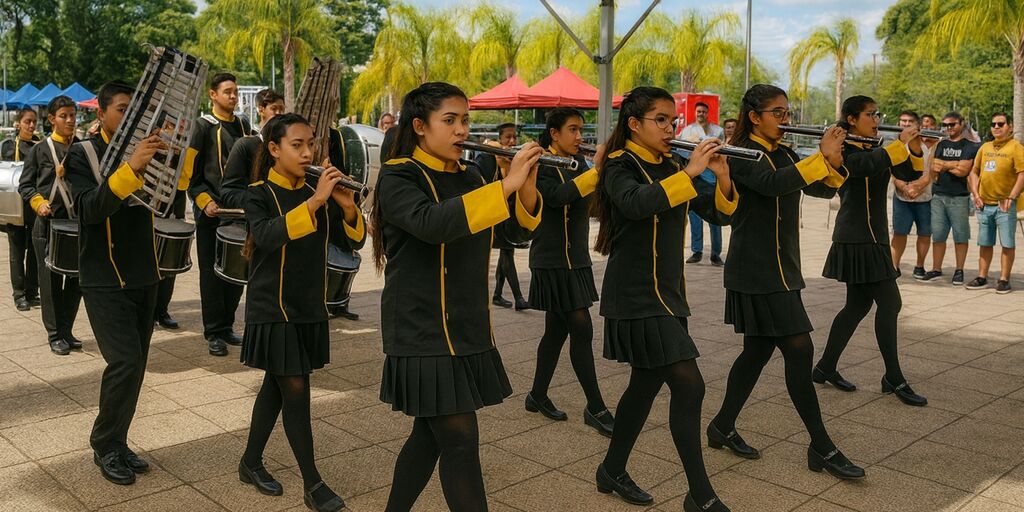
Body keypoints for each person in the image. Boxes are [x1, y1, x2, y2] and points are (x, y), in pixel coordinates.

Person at [372, 82, 542, 511]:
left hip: (467, 325)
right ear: (420, 127)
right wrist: (503, 187)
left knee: (430, 438)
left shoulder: (472, 174)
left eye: (464, 119)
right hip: (420, 327)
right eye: (449, 120)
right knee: (460, 438)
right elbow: (432, 224)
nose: (461, 129)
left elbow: (513, 233)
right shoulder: (399, 173)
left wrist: (524, 186)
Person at [710, 84, 864, 482]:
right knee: (800, 348)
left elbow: (816, 186)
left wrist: (835, 158)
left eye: (786, 112)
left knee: (756, 353)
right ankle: (822, 446)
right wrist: (820, 157)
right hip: (755, 270)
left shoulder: (786, 151)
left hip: (783, 269)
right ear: (754, 116)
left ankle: (721, 426)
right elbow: (772, 183)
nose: (785, 119)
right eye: (777, 113)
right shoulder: (740, 152)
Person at [593, 87, 736, 512]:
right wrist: (691, 172)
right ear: (633, 124)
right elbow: (636, 204)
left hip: (669, 294)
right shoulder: (620, 163)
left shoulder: (673, 163)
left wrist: (722, 174)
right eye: (660, 120)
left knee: (644, 385)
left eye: (672, 120)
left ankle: (611, 469)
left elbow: (719, 213)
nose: (670, 128)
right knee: (690, 386)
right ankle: (700, 493)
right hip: (635, 295)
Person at [238, 113, 365, 511]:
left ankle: (249, 462)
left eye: (311, 143)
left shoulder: (320, 191)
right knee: (295, 390)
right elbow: (269, 234)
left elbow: (355, 241)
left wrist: (346, 206)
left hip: (309, 306)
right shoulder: (257, 193)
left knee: (276, 388)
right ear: (274, 150)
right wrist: (316, 201)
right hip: (272, 307)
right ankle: (313, 484)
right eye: (298, 145)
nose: (308, 152)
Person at [64, 80, 166, 486]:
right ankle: (105, 444)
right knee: (123, 361)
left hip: (146, 273)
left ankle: (119, 441)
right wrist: (132, 169)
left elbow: (170, 199)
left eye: (134, 110)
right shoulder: (81, 153)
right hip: (104, 278)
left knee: (136, 366)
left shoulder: (147, 150)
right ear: (101, 113)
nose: (130, 117)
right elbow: (88, 208)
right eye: (122, 109)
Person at [816, 95, 928, 407]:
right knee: (891, 303)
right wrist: (897, 145)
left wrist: (914, 146)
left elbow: (907, 171)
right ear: (851, 119)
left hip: (874, 236)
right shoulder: (843, 150)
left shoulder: (877, 147)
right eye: (869, 114)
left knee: (857, 306)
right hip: (855, 238)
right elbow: (863, 169)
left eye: (877, 114)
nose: (876, 119)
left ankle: (825, 367)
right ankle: (893, 377)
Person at [525, 107, 613, 437]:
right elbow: (558, 197)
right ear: (554, 134)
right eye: (573, 130)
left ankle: (537, 395)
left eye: (581, 130)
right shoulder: (541, 164)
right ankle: (596, 406)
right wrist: (597, 170)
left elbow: (589, 206)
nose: (580, 137)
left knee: (555, 333)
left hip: (576, 261)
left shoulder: (579, 164)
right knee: (580, 327)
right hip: (551, 261)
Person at [187, 72, 254, 356]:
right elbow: (191, 176)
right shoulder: (201, 127)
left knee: (237, 271)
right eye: (227, 91)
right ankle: (213, 331)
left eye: (235, 92)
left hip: (239, 210)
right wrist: (204, 202)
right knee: (211, 273)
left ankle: (227, 326)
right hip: (212, 212)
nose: (233, 96)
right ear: (212, 95)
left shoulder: (244, 125)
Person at [18, 95, 83, 356]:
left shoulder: (81, 147)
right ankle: (55, 334)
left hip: (76, 225)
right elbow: (26, 185)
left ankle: (66, 330)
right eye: (64, 116)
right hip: (47, 226)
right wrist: (38, 203)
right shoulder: (40, 149)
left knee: (77, 281)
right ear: (52, 119)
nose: (69, 120)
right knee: (51, 283)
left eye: (72, 115)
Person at [965, 113, 1023, 293]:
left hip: (1004, 205)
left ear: (1010, 127)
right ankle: (982, 276)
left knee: (1007, 243)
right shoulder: (985, 147)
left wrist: (1011, 197)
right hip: (984, 204)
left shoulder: (1016, 148)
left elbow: (1022, 173)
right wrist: (976, 194)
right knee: (985, 243)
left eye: (1001, 124)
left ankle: (1004, 279)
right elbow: (973, 172)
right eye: (993, 124)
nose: (996, 127)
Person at [475, 122, 530, 310]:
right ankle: (519, 298)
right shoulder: (489, 159)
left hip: (509, 217)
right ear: (499, 139)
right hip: (495, 216)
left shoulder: (514, 160)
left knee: (507, 254)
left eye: (514, 137)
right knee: (507, 254)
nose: (512, 141)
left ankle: (498, 294)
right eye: (508, 137)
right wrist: (499, 162)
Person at [923, 112, 979, 285]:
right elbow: (934, 166)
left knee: (960, 236)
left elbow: (964, 171)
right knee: (938, 235)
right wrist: (955, 164)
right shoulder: (941, 144)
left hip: (959, 197)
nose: (949, 128)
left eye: (952, 124)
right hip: (938, 196)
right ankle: (936, 268)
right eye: (945, 125)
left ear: (961, 123)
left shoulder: (970, 146)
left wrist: (946, 165)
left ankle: (959, 270)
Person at [2, 108, 41, 311]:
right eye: (27, 122)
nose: (31, 125)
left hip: (34, 205)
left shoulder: (41, 146)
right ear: (19, 124)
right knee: (17, 252)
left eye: (34, 122)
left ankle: (32, 292)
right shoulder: (8, 146)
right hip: (13, 206)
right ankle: (19, 295)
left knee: (35, 251)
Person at [890, 110, 934, 279]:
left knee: (924, 233)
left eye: (909, 121)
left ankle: (919, 266)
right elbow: (891, 170)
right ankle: (895, 266)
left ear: (917, 124)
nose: (906, 124)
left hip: (925, 198)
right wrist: (903, 186)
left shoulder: (929, 145)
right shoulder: (896, 145)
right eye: (903, 121)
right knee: (899, 233)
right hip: (902, 197)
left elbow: (930, 171)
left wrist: (917, 188)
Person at [680, 102, 725, 265]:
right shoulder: (687, 131)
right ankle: (696, 251)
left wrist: (703, 141)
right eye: (698, 111)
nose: (701, 114)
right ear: (695, 112)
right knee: (695, 217)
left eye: (704, 112)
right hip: (695, 178)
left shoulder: (717, 131)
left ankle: (715, 254)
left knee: (715, 217)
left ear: (708, 113)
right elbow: (681, 151)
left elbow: (720, 151)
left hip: (712, 178)